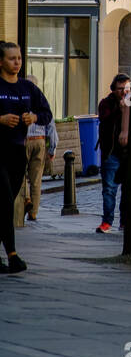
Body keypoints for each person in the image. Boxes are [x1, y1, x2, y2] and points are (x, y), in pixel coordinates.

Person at [0, 41, 52, 273]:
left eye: (19, 58)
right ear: (1, 61)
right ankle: (12, 254)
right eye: (12, 58)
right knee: (4, 202)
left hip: (17, 152)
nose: (17, 62)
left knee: (5, 204)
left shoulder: (27, 88)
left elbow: (46, 113)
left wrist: (33, 117)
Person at [95, 73, 130, 233]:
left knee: (128, 189)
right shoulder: (106, 103)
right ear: (113, 89)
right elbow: (105, 119)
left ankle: (125, 221)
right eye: (120, 89)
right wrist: (121, 110)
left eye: (127, 89)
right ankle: (107, 221)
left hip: (128, 153)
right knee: (109, 189)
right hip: (111, 151)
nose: (123, 92)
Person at [13, 107, 57, 227]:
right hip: (40, 141)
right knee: (36, 180)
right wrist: (52, 148)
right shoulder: (41, 105)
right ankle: (33, 213)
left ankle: (27, 198)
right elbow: (51, 127)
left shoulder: (22, 101)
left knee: (20, 174)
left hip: (24, 141)